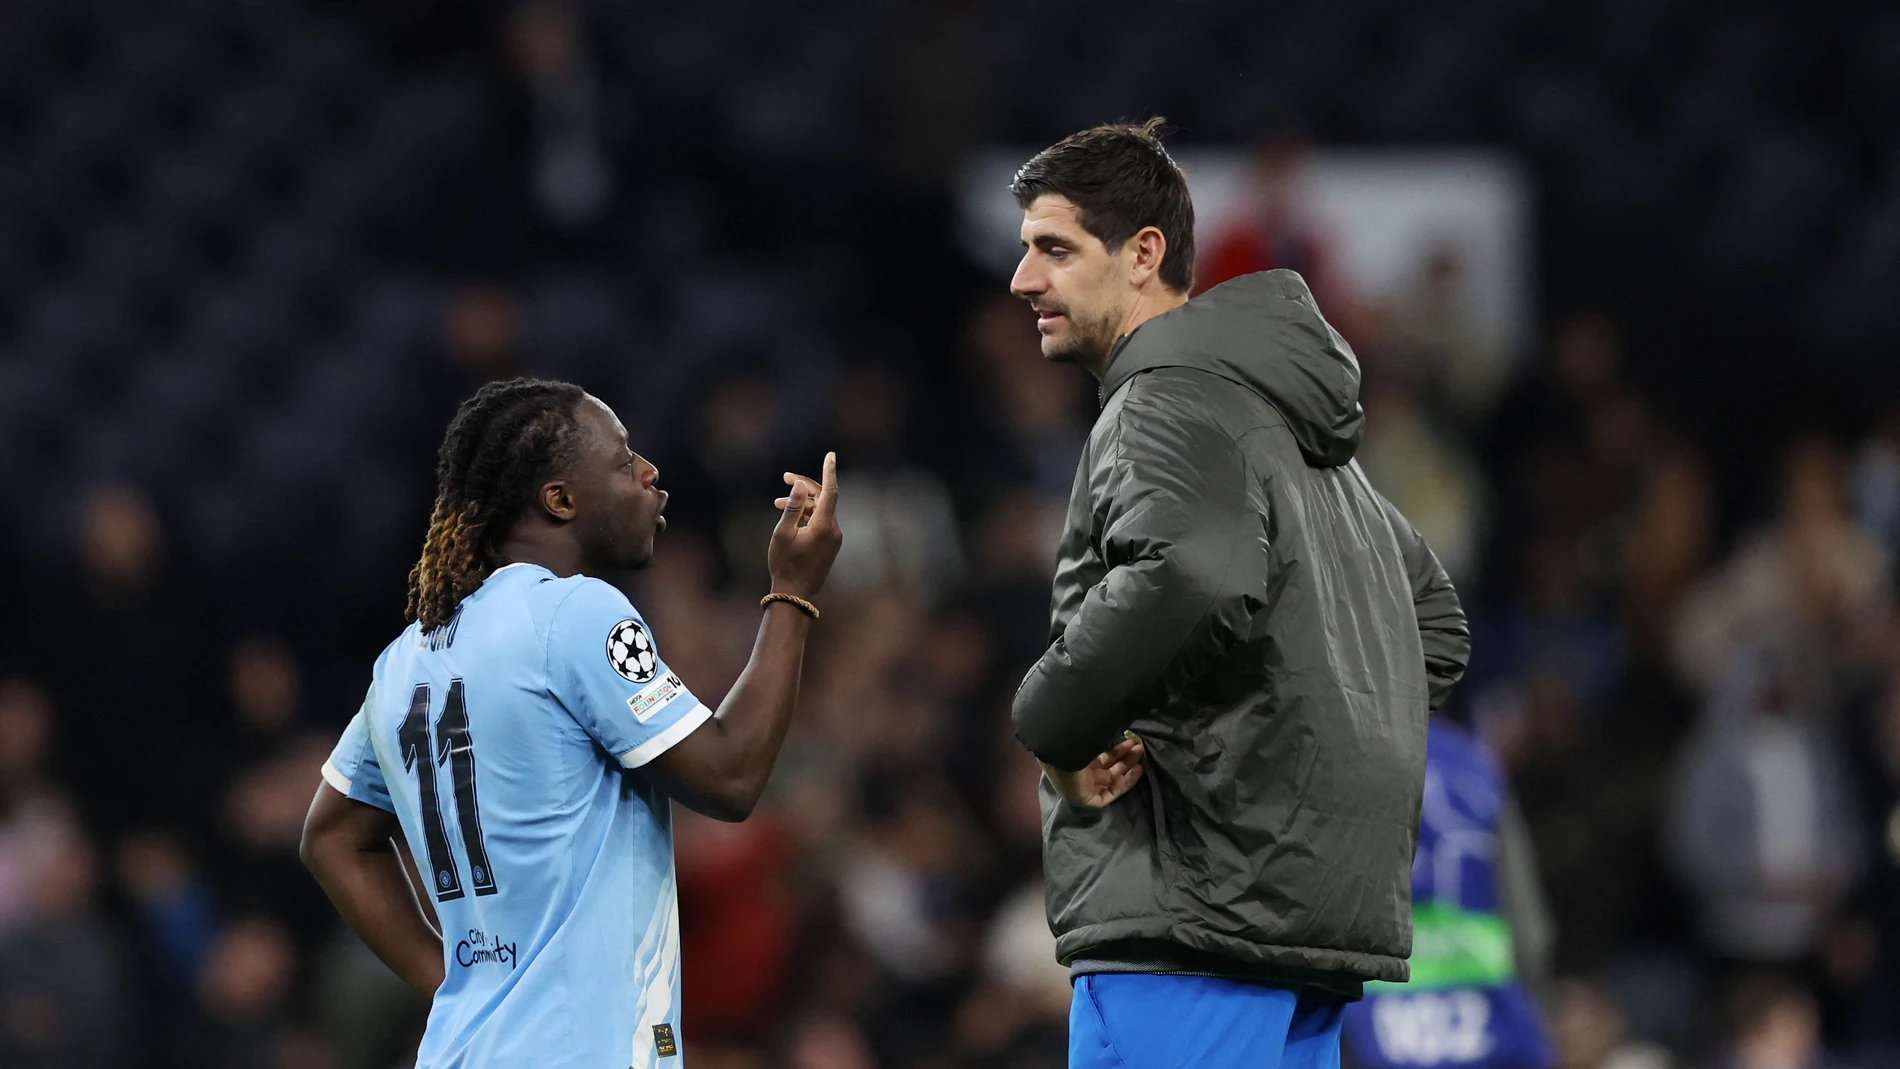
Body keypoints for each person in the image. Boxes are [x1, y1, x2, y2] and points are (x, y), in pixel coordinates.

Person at [1005, 119, 1469, 1069]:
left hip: (1190, 926)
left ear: (1144, 255)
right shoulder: (1291, 432)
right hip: (1288, 935)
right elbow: (1434, 627)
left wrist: (1055, 722)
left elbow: (1196, 571)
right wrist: (1291, 758)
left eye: (1055, 249)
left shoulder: (1166, 397)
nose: (1024, 280)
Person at [299, 377, 842, 1068]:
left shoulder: (406, 659)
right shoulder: (578, 612)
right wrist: (791, 594)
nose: (649, 473)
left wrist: (458, 984)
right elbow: (730, 777)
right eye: (622, 461)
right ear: (560, 499)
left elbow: (332, 836)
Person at [1341, 715, 1556, 1069]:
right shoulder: (1473, 763)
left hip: (1372, 1032)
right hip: (1487, 1027)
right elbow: (1530, 933)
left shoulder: (1334, 758)